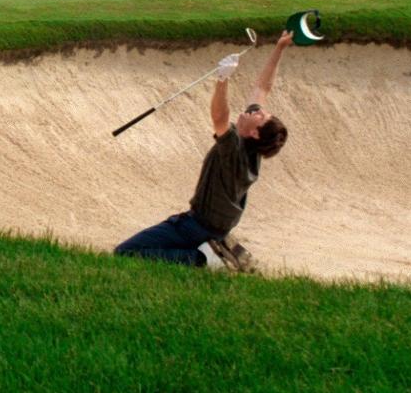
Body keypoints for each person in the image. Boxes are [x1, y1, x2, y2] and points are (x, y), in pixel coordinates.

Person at [114, 31, 294, 271]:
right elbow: (263, 87)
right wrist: (280, 47)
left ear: (255, 133)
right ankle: (217, 247)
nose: (257, 110)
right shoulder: (250, 144)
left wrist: (223, 79)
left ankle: (208, 259)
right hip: (217, 226)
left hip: (198, 225)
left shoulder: (236, 150)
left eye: (260, 116)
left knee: (126, 253)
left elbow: (220, 117)